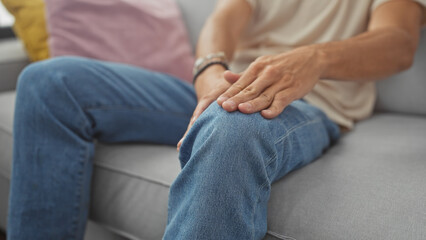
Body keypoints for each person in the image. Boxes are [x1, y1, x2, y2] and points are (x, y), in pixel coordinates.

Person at [7, 0, 426, 239]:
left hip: (308, 102)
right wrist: (208, 72)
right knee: (50, 81)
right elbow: (224, 18)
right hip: (227, 84)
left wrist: (313, 59)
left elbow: (398, 43)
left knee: (233, 123)